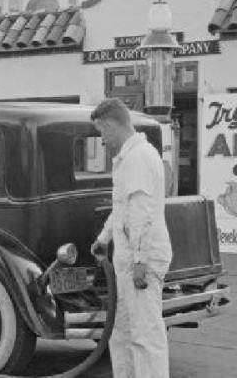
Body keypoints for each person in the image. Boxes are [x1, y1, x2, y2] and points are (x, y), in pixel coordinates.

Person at [89, 98, 172, 378]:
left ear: (111, 125)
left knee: (145, 336)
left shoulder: (138, 158)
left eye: (101, 131)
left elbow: (142, 214)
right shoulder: (128, 158)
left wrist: (140, 261)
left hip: (141, 260)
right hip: (129, 260)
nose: (102, 140)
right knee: (122, 333)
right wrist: (104, 238)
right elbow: (122, 208)